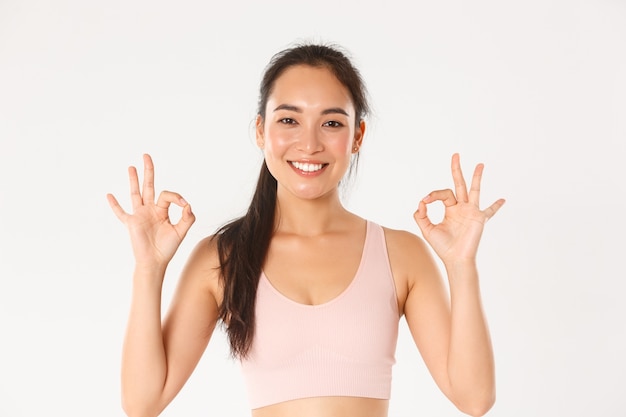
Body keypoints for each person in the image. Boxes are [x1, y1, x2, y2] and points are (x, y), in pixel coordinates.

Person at [107, 42, 505, 417]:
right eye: (289, 120)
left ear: (357, 137)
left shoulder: (401, 254)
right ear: (261, 131)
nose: (309, 143)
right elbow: (143, 402)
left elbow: (473, 398)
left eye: (331, 122)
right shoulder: (223, 258)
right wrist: (148, 268)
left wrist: (461, 265)